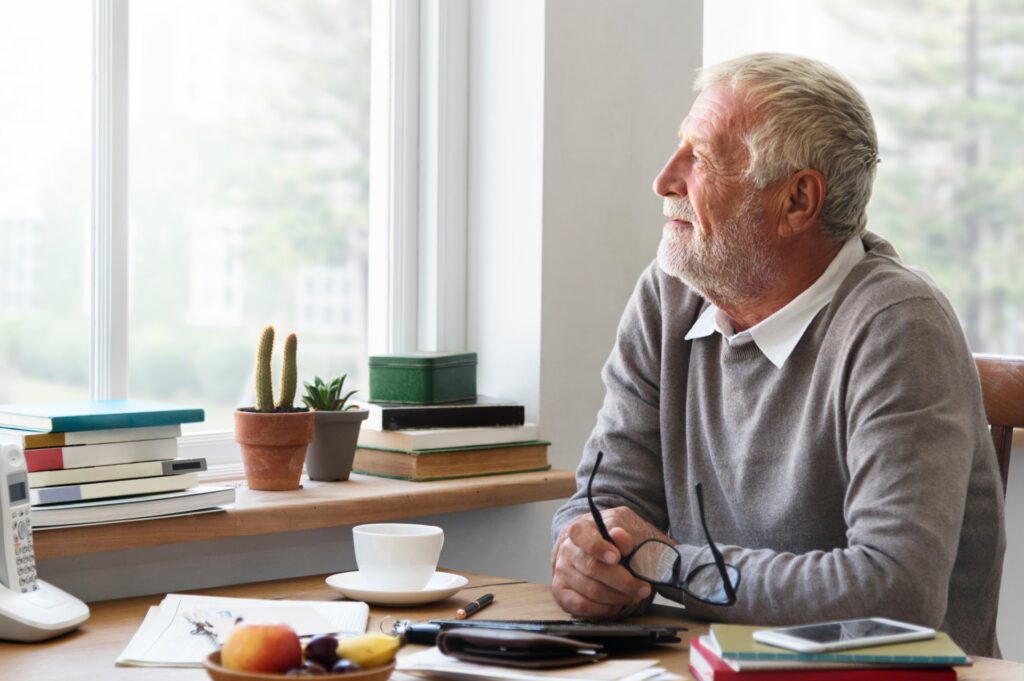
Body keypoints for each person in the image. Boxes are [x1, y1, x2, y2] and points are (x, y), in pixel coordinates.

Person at [550, 53, 1006, 657]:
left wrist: (665, 564)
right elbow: (605, 504)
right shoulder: (669, 295)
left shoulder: (898, 323)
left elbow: (896, 591)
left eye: (701, 158)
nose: (664, 180)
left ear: (797, 201)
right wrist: (585, 556)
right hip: (704, 663)